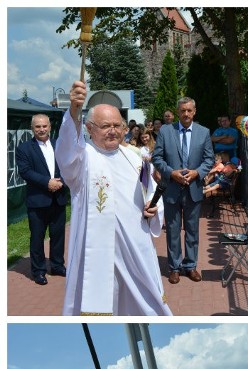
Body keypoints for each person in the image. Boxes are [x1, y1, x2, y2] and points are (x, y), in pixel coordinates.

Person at [56, 80, 171, 316]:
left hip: (135, 248)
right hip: (97, 250)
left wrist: (154, 207)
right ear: (89, 128)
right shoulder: (82, 159)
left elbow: (151, 193)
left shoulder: (135, 159)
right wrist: (74, 110)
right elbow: (67, 150)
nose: (113, 131)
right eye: (105, 125)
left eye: (117, 125)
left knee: (146, 304)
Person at [152, 96, 215, 285]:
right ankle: (174, 267)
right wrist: (171, 173)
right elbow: (157, 158)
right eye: (182, 111)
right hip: (172, 188)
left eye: (189, 110)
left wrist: (197, 173)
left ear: (194, 112)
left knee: (192, 230)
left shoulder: (203, 132)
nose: (186, 114)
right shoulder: (165, 131)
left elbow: (209, 159)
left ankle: (191, 266)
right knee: (172, 230)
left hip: (193, 189)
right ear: (178, 112)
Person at [16, 113, 68, 285]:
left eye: (44, 126)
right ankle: (38, 271)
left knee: (58, 236)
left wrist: (62, 182)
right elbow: (25, 171)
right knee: (37, 238)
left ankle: (57, 265)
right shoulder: (24, 148)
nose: (41, 129)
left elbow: (67, 165)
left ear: (50, 127)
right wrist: (47, 182)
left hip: (58, 198)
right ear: (32, 128)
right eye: (37, 126)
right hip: (38, 201)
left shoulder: (58, 144)